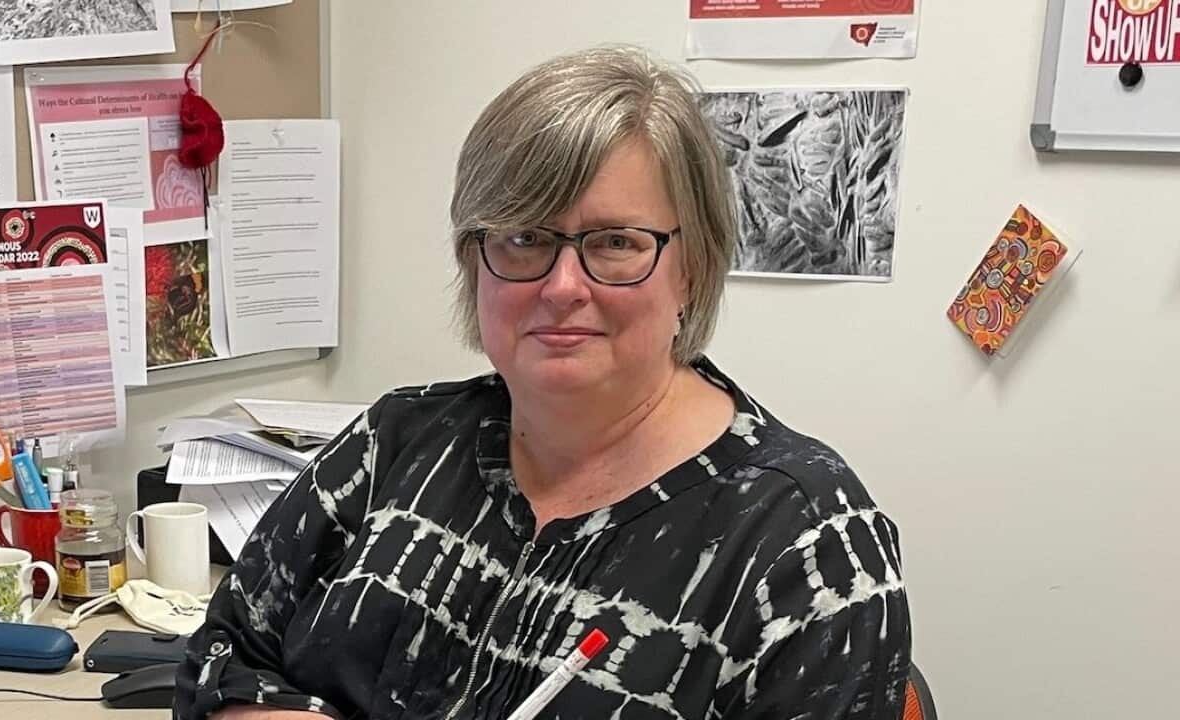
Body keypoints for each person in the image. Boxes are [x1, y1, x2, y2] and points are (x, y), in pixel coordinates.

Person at [175, 45, 910, 720]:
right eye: (524, 238)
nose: (562, 286)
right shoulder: (397, 444)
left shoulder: (807, 541)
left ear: (693, 266)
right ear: (476, 261)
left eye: (616, 242)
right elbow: (221, 657)